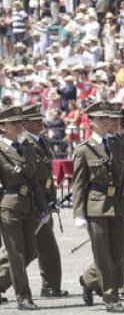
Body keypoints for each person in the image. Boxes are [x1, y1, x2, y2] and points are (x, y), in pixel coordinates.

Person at [73, 101, 124, 313]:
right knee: (103, 255)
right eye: (101, 119)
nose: (106, 121)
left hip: (116, 204)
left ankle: (88, 279)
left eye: (108, 118)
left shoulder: (118, 144)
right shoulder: (84, 149)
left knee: (123, 247)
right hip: (95, 207)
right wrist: (79, 213)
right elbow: (79, 184)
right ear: (91, 122)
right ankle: (111, 299)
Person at [0, 104, 49, 311]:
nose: (19, 125)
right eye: (14, 123)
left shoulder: (27, 147)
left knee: (30, 251)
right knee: (16, 254)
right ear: (2, 127)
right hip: (9, 205)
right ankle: (24, 298)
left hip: (29, 204)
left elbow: (35, 179)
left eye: (20, 122)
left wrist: (43, 206)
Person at [22, 104, 66, 299]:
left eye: (40, 119)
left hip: (45, 198)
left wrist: (51, 196)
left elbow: (46, 172)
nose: (41, 123)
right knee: (25, 248)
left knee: (46, 245)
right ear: (25, 123)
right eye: (36, 120)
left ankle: (50, 285)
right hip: (31, 200)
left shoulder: (42, 141)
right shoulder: (24, 143)